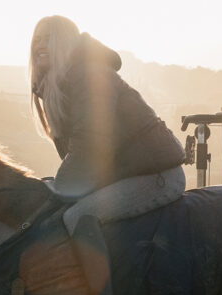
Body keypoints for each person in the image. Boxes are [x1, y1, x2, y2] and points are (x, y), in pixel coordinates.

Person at [29, 15, 186, 197]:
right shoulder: (56, 87)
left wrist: (60, 186)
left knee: (74, 216)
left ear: (64, 42)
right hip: (124, 175)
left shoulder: (89, 74)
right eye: (37, 40)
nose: (39, 45)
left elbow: (90, 142)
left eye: (48, 39)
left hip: (155, 174)